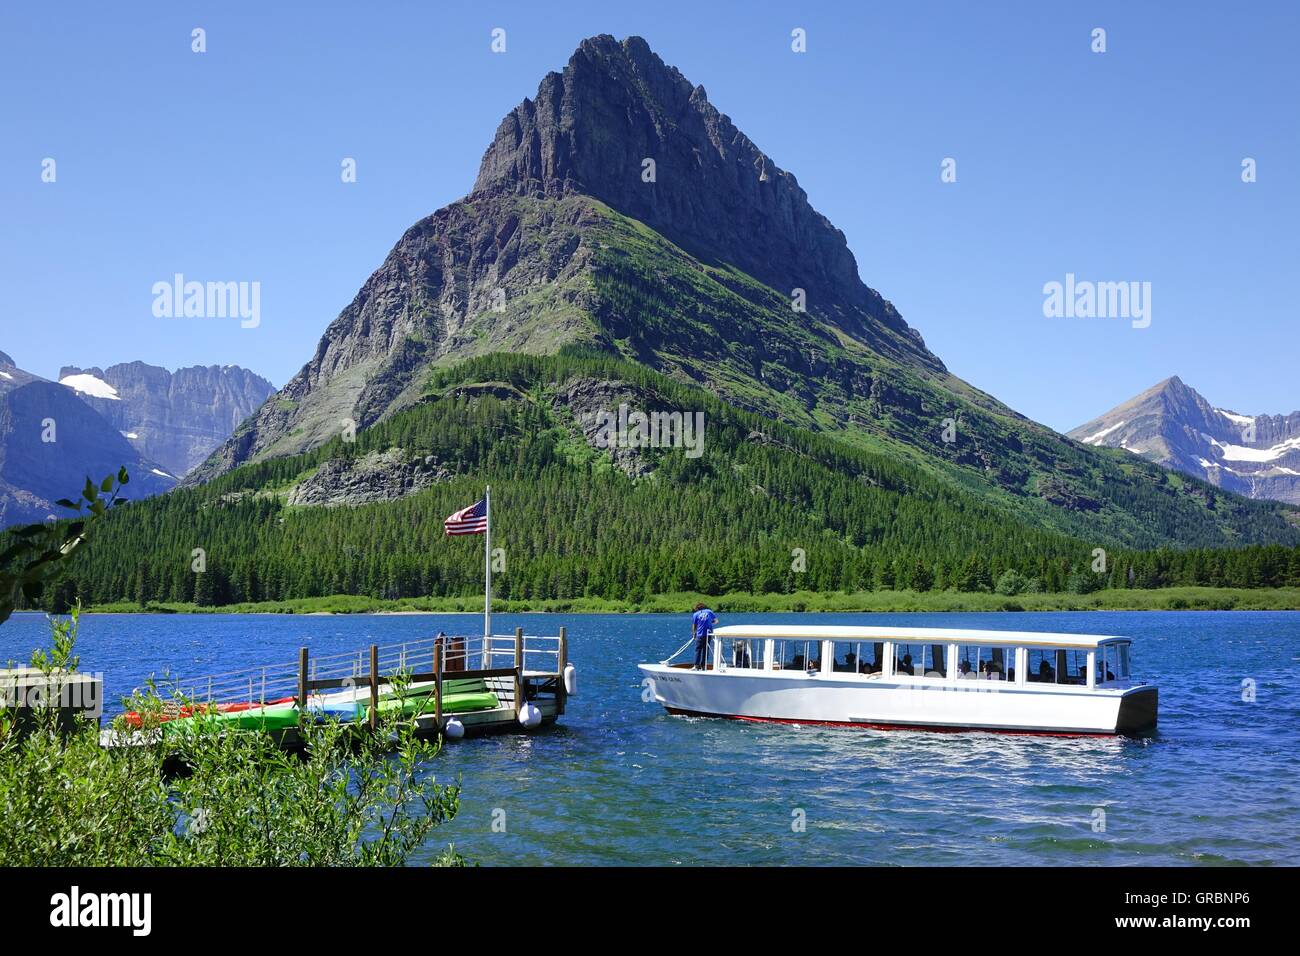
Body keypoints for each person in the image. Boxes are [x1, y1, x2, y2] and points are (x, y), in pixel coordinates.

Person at [691, 603, 718, 670]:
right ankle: (703, 666)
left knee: (698, 650)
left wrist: (694, 634)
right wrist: (709, 622)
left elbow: (694, 625)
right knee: (706, 650)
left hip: (699, 634)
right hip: (708, 634)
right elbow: (716, 621)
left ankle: (696, 665)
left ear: (697, 608)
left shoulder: (695, 614)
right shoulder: (709, 611)